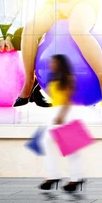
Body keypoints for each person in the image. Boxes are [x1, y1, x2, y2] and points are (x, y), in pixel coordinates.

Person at [39, 54, 85, 193]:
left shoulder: (69, 78)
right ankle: (54, 176)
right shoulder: (54, 78)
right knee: (48, 143)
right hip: (56, 113)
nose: (50, 65)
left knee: (71, 150)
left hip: (66, 114)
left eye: (53, 62)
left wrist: (61, 115)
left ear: (60, 63)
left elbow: (68, 99)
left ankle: (74, 179)